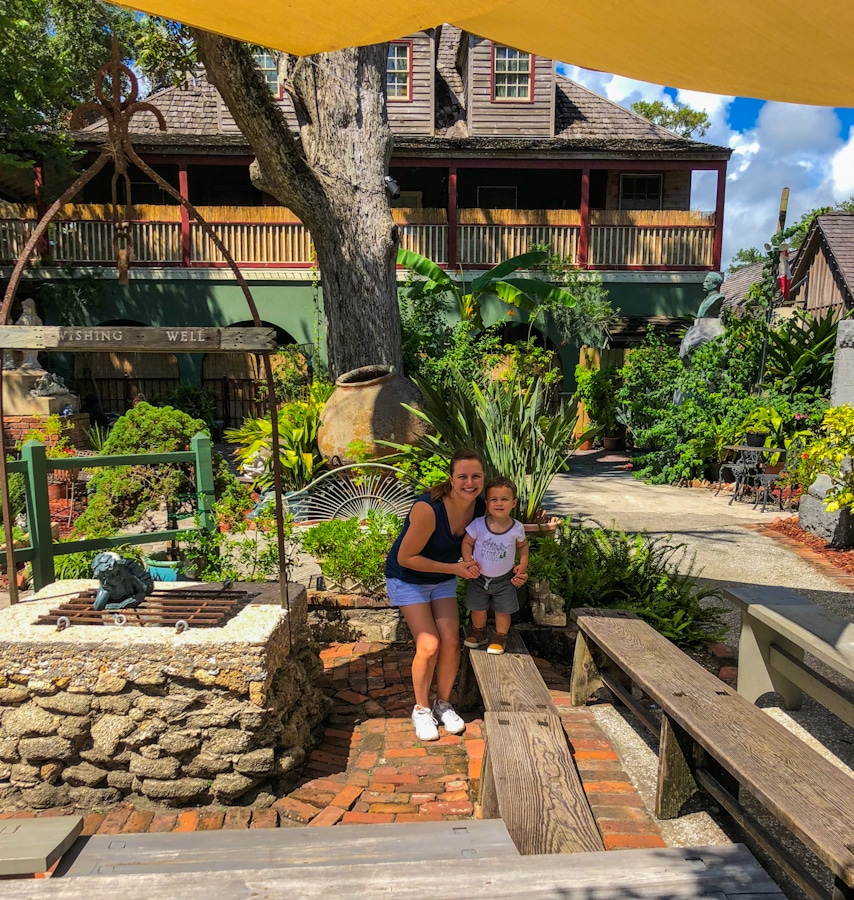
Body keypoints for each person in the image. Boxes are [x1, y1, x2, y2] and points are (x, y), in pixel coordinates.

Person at [385, 448, 486, 741]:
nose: (470, 482)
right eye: (463, 476)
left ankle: (443, 704)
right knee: (429, 645)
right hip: (408, 579)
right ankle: (421, 709)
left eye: (476, 476)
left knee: (452, 641)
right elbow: (406, 557)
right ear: (452, 479)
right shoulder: (429, 509)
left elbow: (503, 529)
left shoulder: (479, 508)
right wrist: (456, 569)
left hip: (441, 579)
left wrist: (539, 530)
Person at [461, 476, 529, 656]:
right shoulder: (478, 524)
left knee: (502, 611)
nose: (499, 503)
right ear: (487, 502)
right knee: (477, 608)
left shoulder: (517, 528)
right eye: (494, 499)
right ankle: (479, 632)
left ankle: (500, 636)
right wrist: (468, 562)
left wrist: (522, 565)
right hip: (479, 577)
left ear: (513, 502)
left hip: (505, 580)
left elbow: (522, 547)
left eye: (504, 499)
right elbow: (467, 543)